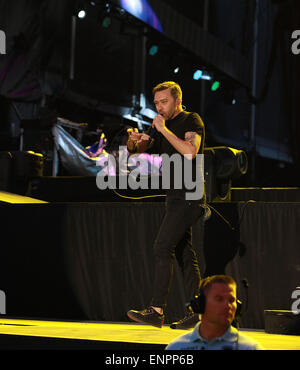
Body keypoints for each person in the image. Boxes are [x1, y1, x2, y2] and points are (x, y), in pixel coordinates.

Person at [126, 81, 206, 329]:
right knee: (183, 252)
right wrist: (133, 141)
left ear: (177, 101)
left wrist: (163, 130)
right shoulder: (162, 126)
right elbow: (137, 154)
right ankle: (198, 313)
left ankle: (156, 310)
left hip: (190, 194)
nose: (159, 107)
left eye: (164, 102)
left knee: (162, 246)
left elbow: (190, 152)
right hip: (174, 196)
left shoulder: (191, 120)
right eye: (157, 103)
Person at [166, 275, 264, 350]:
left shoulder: (251, 348)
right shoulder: (176, 347)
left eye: (231, 300)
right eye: (219, 299)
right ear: (201, 304)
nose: (228, 306)